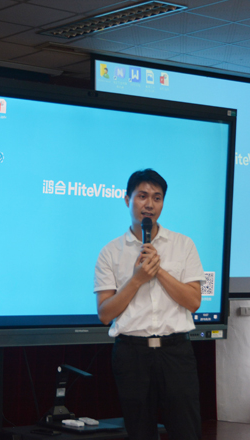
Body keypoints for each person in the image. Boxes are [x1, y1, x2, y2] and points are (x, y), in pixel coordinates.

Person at [94, 169, 205, 440]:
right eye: (142, 196)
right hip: (132, 355)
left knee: (187, 432)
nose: (149, 204)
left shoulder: (183, 245)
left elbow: (193, 301)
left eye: (157, 198)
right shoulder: (110, 252)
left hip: (176, 353)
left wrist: (159, 271)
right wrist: (137, 279)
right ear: (127, 200)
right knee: (140, 432)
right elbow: (105, 314)